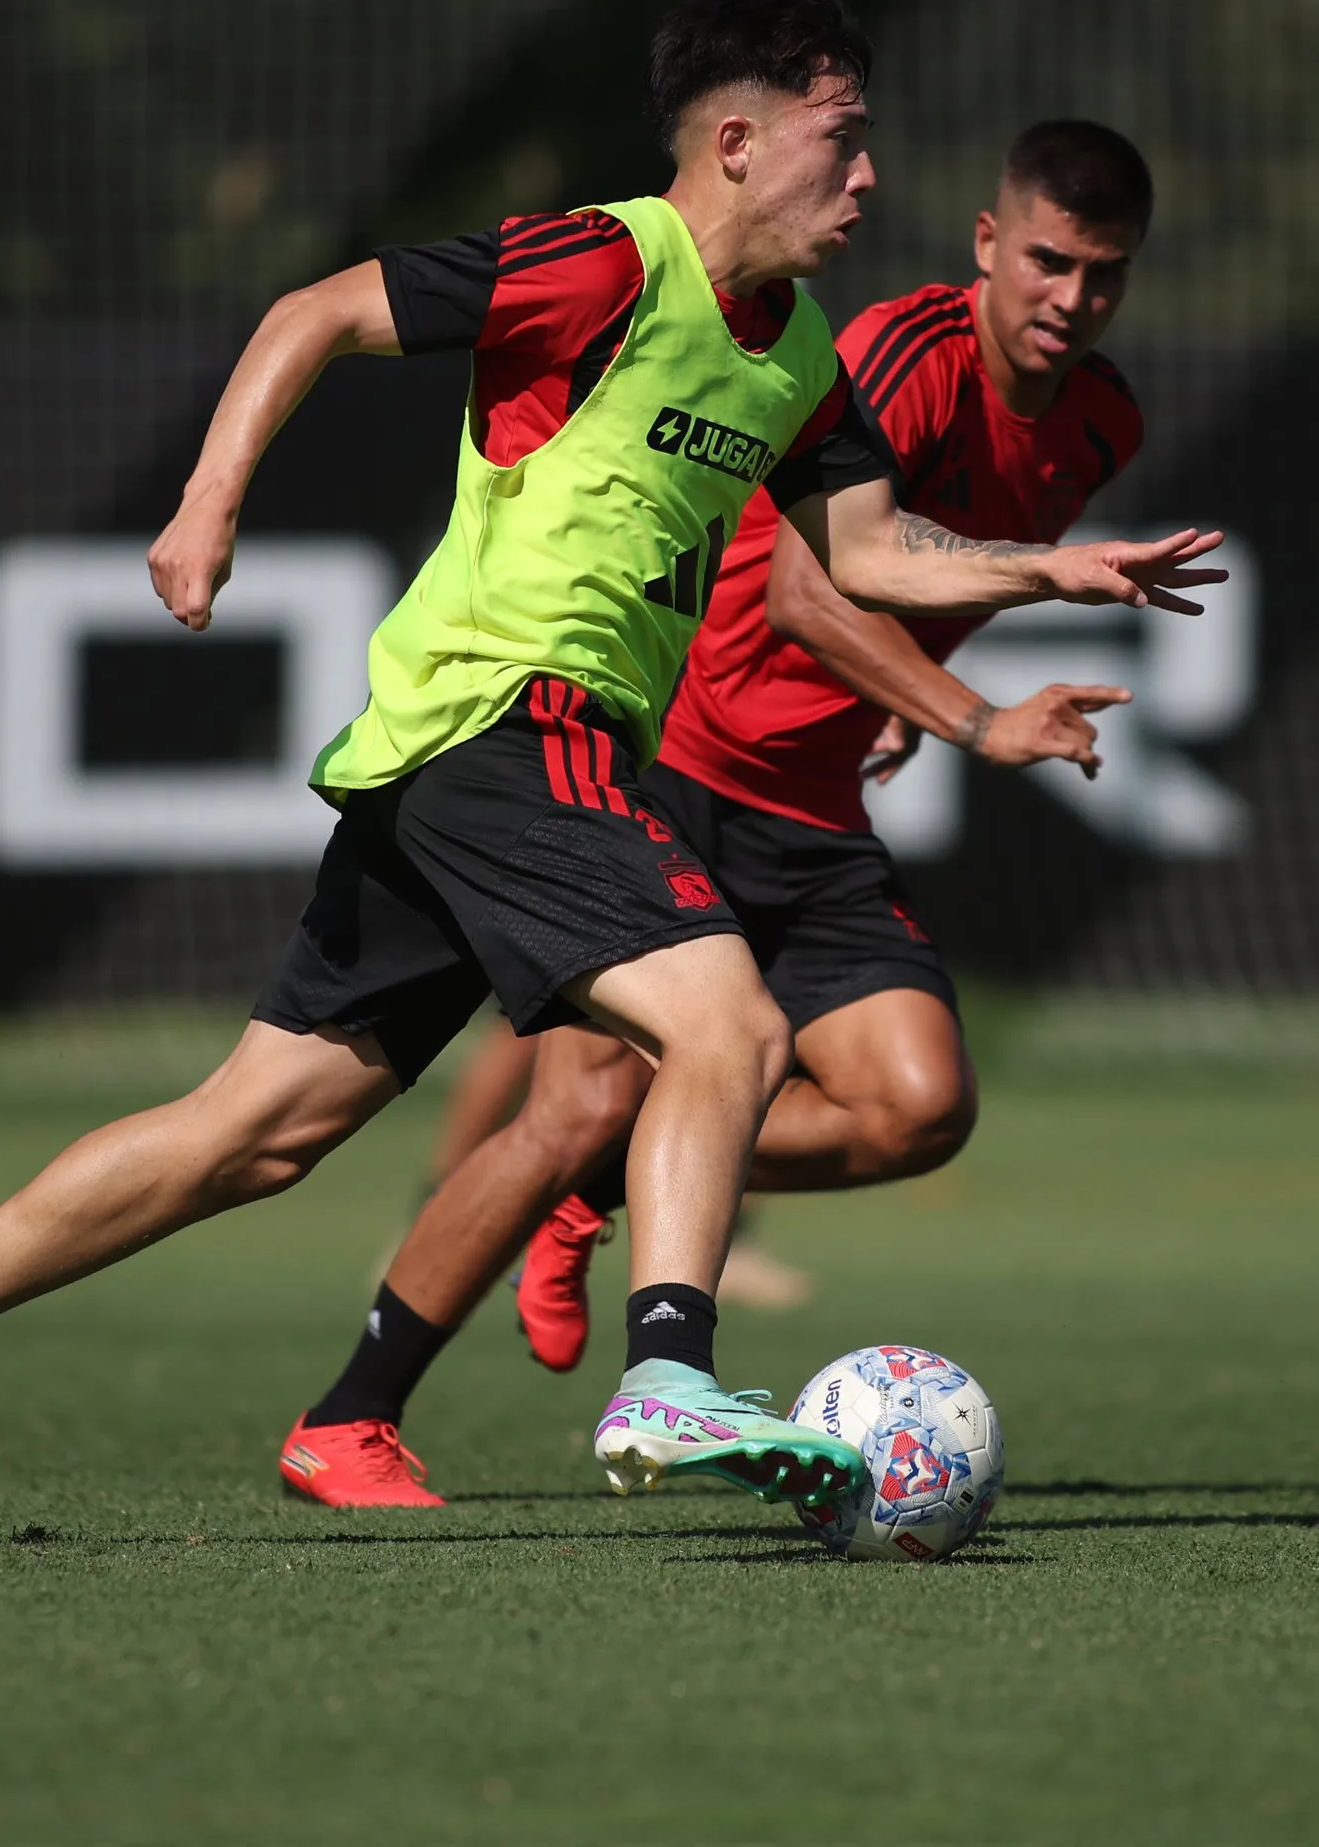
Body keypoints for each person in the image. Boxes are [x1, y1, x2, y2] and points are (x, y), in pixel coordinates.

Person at [0, 0, 1220, 1545]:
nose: (867, 179)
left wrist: (1051, 572)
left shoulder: (795, 351)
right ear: (735, 145)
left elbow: (871, 552)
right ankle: (668, 1369)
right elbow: (313, 312)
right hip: (503, 715)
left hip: (484, 755)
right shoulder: (603, 259)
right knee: (723, 1019)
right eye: (841, 139)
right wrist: (208, 501)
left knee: (253, 1132)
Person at [284, 118, 1158, 1504]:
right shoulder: (892, 354)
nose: (1070, 299)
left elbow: (942, 581)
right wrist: (962, 720)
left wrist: (899, 704)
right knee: (569, 1112)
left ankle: (624, 1187)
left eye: (1102, 275)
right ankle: (353, 1411)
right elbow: (817, 587)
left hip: (811, 813)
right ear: (988, 244)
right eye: (1048, 261)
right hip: (685, 768)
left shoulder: (1102, 419)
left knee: (917, 1106)